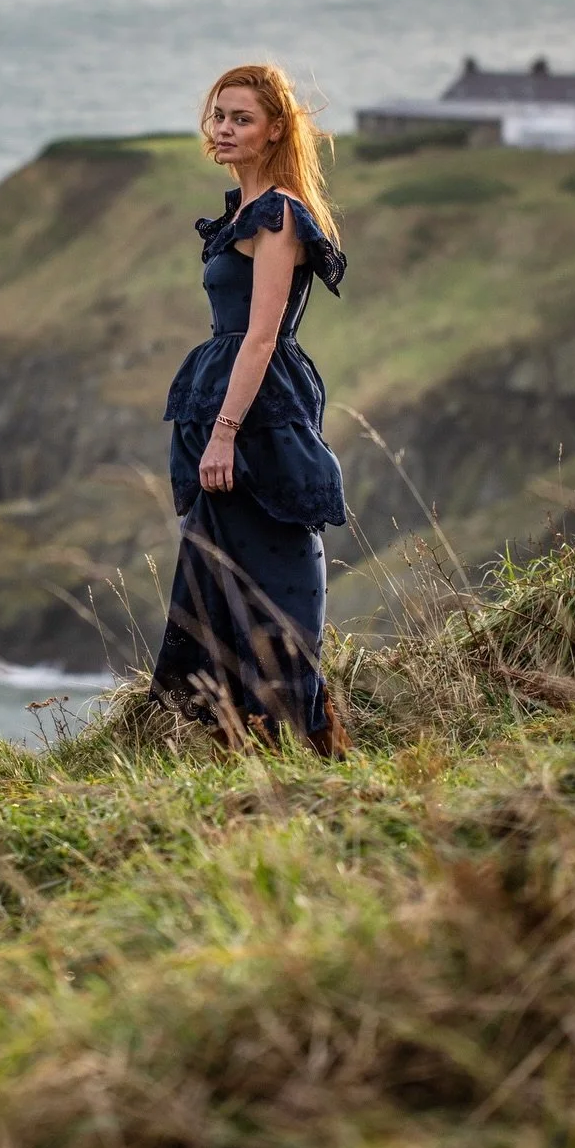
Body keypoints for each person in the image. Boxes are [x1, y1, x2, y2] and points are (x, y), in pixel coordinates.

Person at [151, 62, 351, 755]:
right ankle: (244, 739)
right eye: (219, 115)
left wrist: (225, 434)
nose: (225, 128)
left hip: (258, 404)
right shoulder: (237, 211)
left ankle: (312, 732)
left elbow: (263, 334)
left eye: (241, 118)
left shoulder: (281, 215)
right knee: (219, 567)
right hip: (221, 391)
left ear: (272, 132)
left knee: (281, 560)